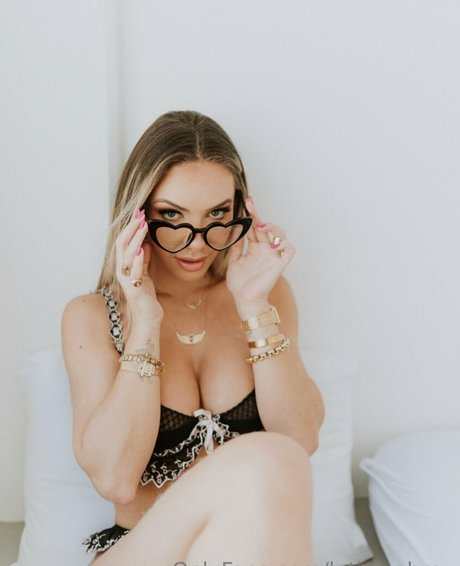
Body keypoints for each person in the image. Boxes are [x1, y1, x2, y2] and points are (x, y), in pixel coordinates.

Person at [61, 110, 325, 565]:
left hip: (242, 552)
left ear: (240, 208)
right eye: (172, 215)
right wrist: (145, 322)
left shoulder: (267, 294)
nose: (198, 242)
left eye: (218, 214)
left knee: (276, 458)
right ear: (139, 214)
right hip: (141, 551)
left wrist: (254, 304)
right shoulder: (93, 316)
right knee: (269, 457)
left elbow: (299, 441)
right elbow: (115, 480)